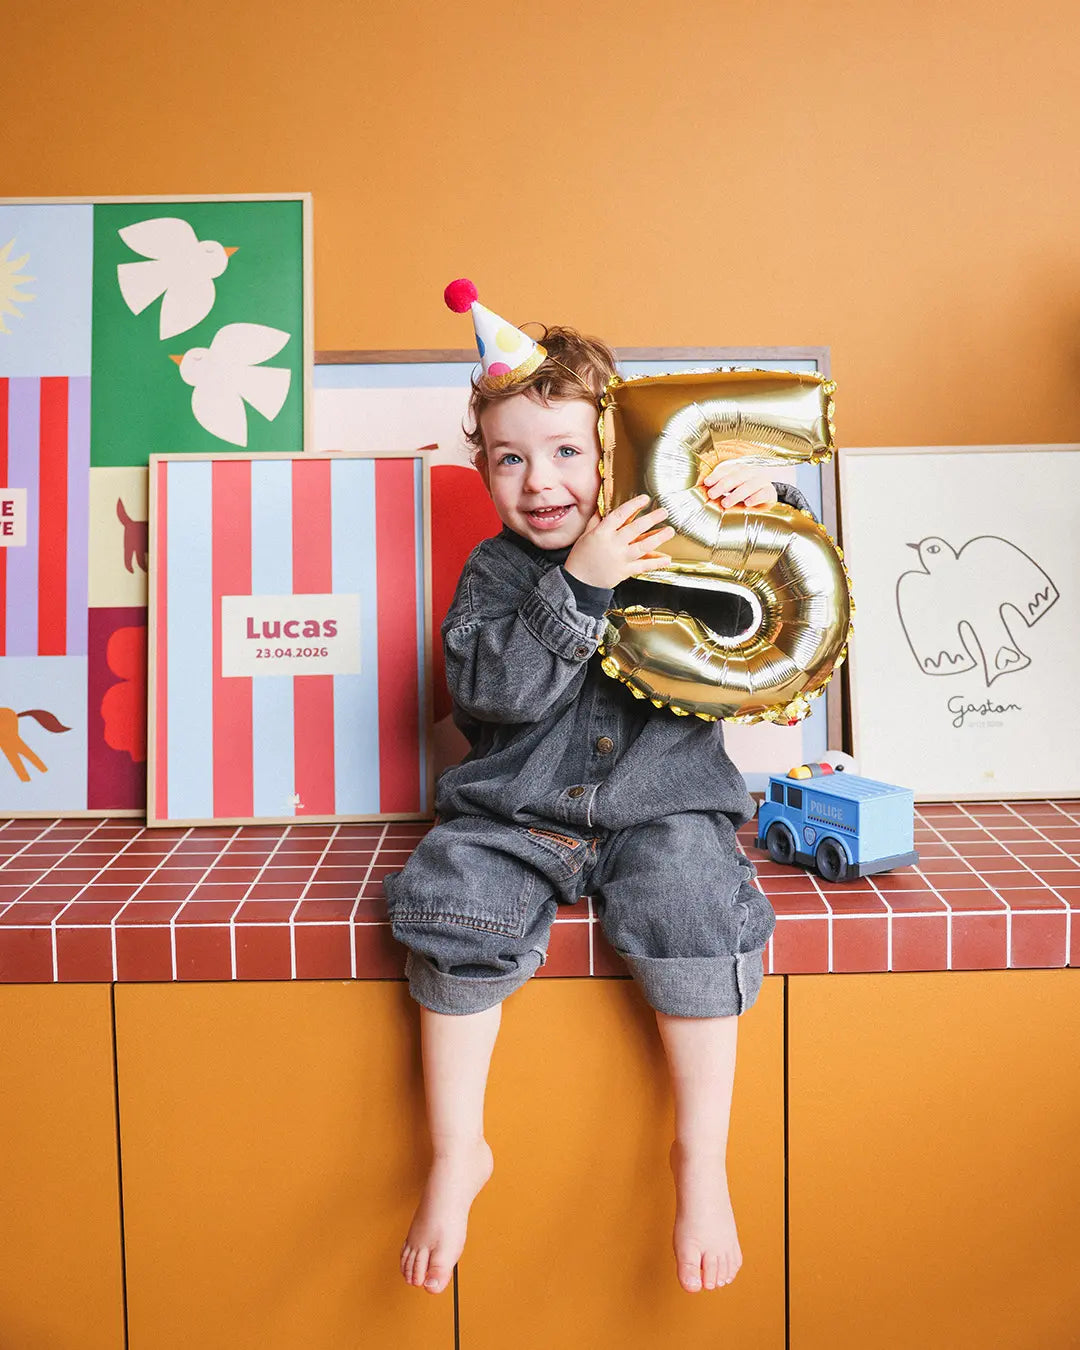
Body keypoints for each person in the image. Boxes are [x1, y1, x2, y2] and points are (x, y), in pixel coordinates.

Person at [386, 289, 813, 1297]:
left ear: (610, 451)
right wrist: (576, 583)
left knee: (697, 901)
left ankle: (699, 1158)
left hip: (661, 809)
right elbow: (486, 692)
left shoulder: (670, 540)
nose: (542, 482)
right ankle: (458, 1150)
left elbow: (765, 610)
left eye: (568, 453)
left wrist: (758, 510)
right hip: (514, 816)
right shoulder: (493, 575)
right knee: (452, 895)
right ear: (483, 465)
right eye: (511, 458)